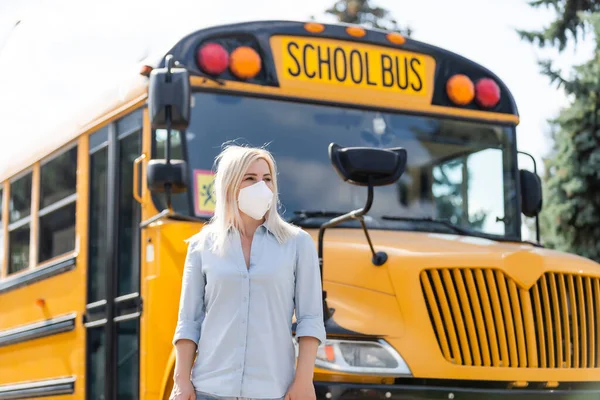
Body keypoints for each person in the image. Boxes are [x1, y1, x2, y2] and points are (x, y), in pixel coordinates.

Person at [170, 145, 326, 400]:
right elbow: (189, 321)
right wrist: (181, 382)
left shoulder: (298, 243)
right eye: (250, 178)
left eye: (267, 179)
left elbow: (310, 319)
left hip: (273, 391)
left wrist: (304, 381)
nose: (261, 186)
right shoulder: (202, 245)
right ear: (230, 185)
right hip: (209, 390)